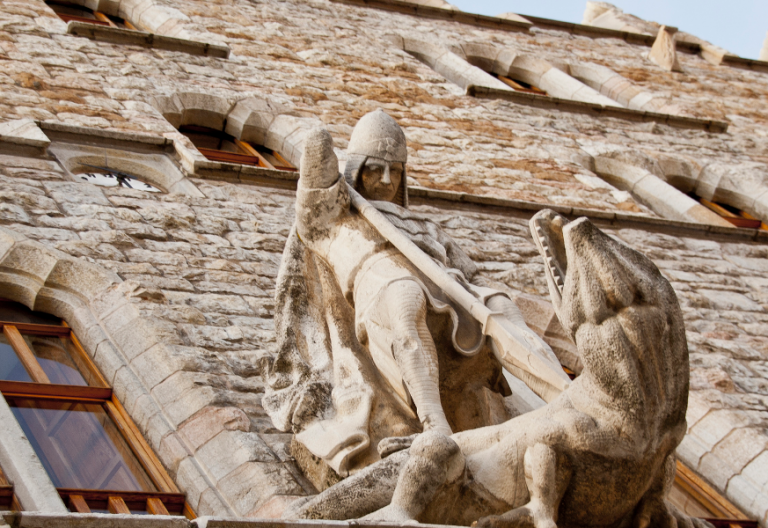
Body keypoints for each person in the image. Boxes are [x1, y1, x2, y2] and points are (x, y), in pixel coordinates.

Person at [261, 109, 560, 478]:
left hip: (447, 288)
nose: (386, 179)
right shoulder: (335, 216)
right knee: (405, 296)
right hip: (379, 281)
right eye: (375, 168)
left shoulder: (423, 224)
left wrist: (480, 293)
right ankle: (435, 425)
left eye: (396, 170)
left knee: (501, 303)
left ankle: (562, 399)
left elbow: (469, 272)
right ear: (357, 168)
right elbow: (314, 187)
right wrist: (321, 137)